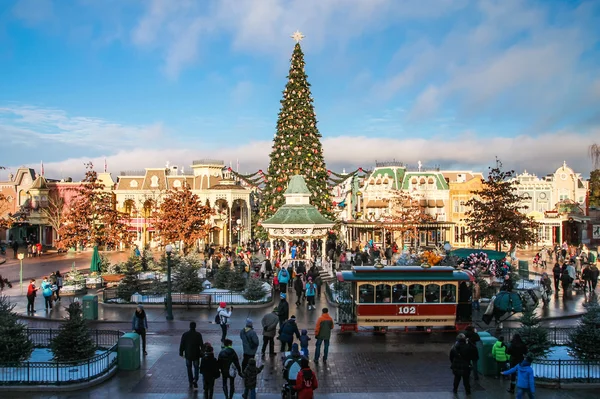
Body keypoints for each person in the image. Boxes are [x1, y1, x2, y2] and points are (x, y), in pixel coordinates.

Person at [179, 321, 205, 389]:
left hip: (188, 354)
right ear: (195, 326)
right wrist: (202, 353)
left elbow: (182, 344)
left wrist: (181, 352)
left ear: (190, 326)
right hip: (196, 354)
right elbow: (201, 345)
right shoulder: (198, 334)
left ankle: (190, 381)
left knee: (189, 368)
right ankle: (195, 379)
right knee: (196, 367)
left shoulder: (185, 334)